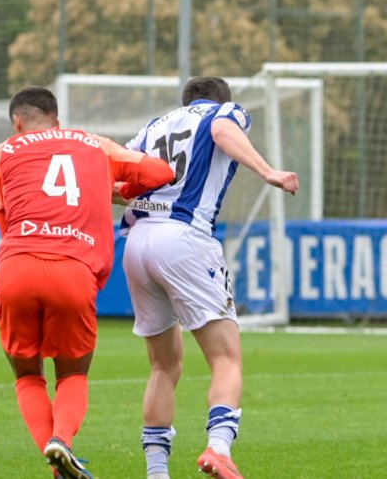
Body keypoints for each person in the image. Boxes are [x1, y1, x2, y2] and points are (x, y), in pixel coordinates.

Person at [0, 86, 175, 478]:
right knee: (72, 374)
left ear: (17, 122)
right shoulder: (94, 144)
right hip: (73, 270)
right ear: (58, 119)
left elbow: (6, 224)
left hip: (17, 266)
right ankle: (63, 441)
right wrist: (117, 189)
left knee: (28, 376)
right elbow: (161, 173)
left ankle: (54, 459)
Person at [120, 76, 299, 479]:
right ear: (221, 99)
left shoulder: (152, 128)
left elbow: (119, 183)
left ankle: (156, 473)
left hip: (137, 242)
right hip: (185, 237)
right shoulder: (223, 113)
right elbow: (221, 129)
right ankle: (218, 449)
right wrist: (267, 171)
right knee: (225, 357)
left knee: (163, 367)